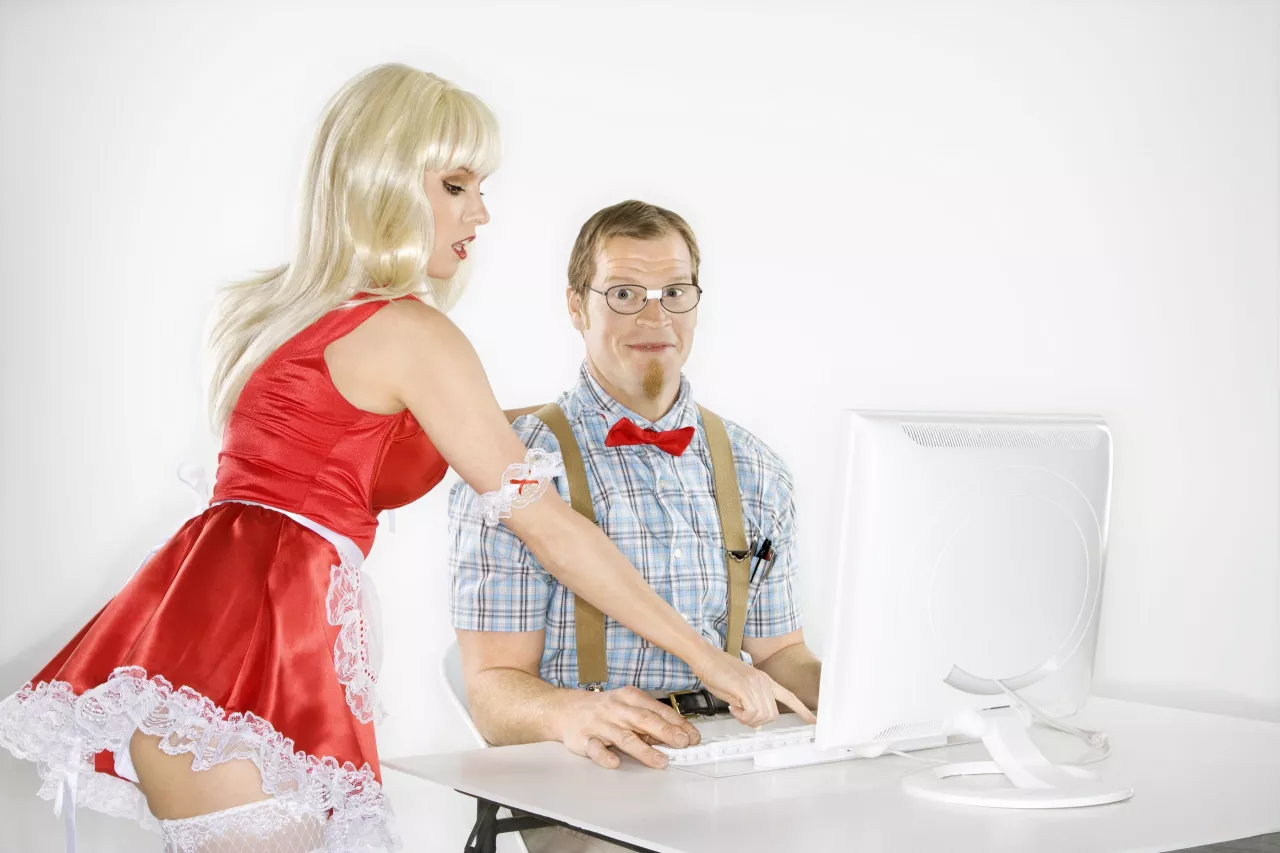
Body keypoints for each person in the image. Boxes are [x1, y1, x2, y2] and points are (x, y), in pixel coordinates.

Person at [0, 66, 808, 853]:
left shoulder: (282, 314)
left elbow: (306, 474)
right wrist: (713, 662)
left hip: (201, 637)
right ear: (382, 182)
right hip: (259, 652)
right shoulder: (413, 334)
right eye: (457, 185)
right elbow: (549, 527)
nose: (482, 212)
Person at [448, 200, 822, 852]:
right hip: (589, 773)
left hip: (730, 762)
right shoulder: (513, 464)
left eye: (674, 292)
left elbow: (781, 655)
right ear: (576, 306)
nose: (656, 316)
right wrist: (570, 712)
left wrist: (873, 697)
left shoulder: (759, 469)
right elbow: (491, 689)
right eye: (625, 293)